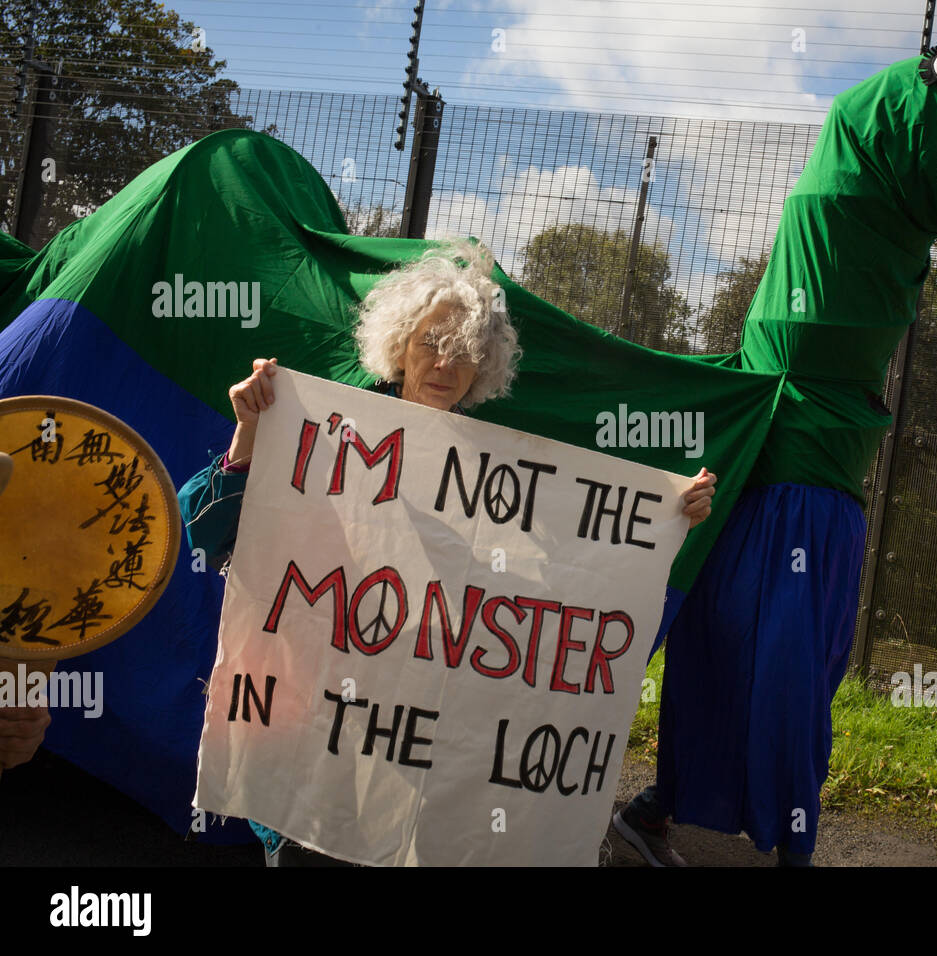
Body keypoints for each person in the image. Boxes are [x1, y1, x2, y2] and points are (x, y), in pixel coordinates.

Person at [178, 239, 718, 865]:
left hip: (426, 762)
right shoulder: (328, 431)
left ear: (483, 368)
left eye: (465, 352)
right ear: (399, 345)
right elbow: (204, 529)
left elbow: (566, 577)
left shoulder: (501, 474)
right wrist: (248, 437)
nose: (444, 364)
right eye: (431, 343)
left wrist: (665, 515)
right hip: (321, 738)